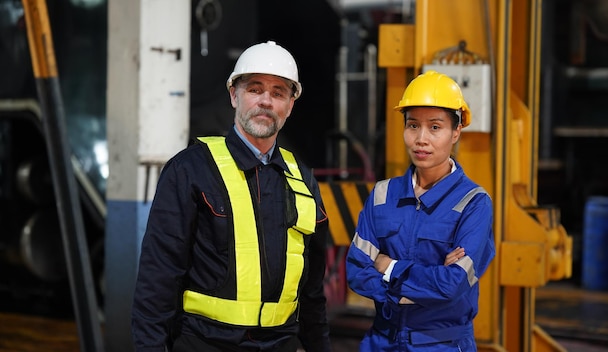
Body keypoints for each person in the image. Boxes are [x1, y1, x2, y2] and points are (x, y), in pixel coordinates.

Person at [131, 41, 331, 352]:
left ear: (290, 105)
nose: (266, 101)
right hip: (205, 344)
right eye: (255, 89)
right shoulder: (191, 170)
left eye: (278, 92)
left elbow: (312, 289)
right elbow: (158, 279)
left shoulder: (302, 179)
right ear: (233, 95)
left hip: (281, 344)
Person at [345, 70, 496, 351]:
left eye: (435, 127)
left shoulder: (474, 203)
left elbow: (453, 285)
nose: (421, 139)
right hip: (382, 341)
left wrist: (388, 267)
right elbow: (357, 271)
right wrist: (425, 284)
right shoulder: (382, 195)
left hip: (442, 344)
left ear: (456, 131)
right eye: (413, 125)